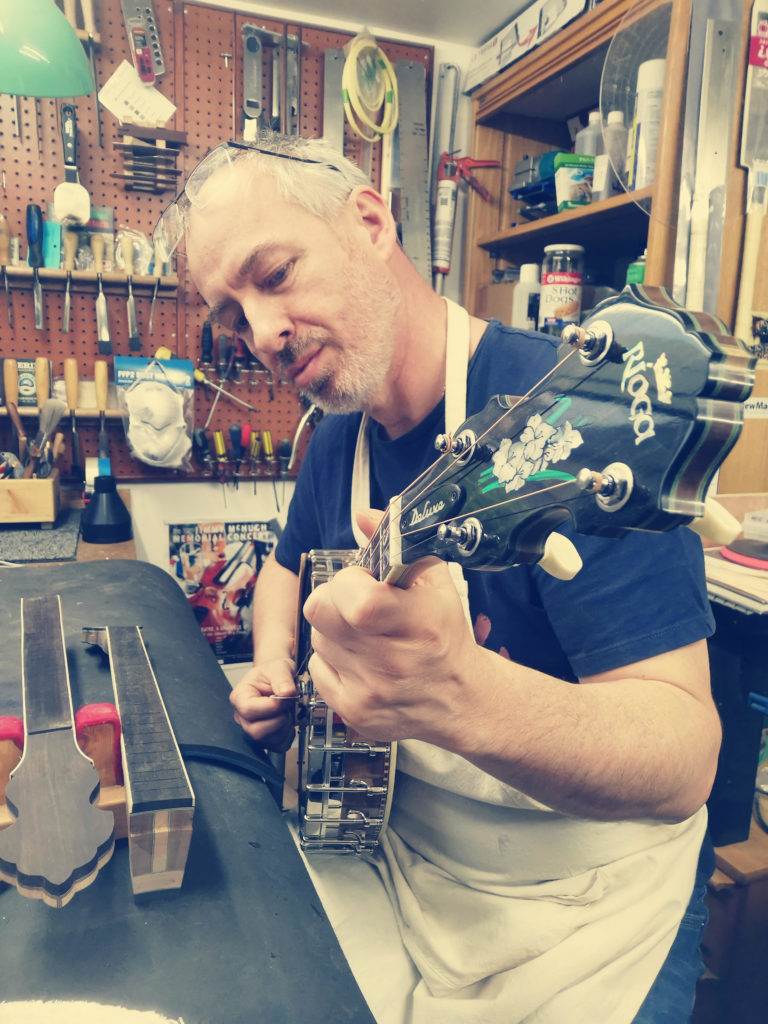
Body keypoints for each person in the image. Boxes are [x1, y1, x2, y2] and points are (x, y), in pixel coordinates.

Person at [156, 130, 720, 1023]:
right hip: (404, 850)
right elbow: (282, 568)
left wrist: (463, 696)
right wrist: (274, 663)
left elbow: (685, 758)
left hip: (586, 903)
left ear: (371, 222)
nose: (261, 334)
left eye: (275, 275)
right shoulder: (335, 429)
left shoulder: (572, 422)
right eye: (233, 318)